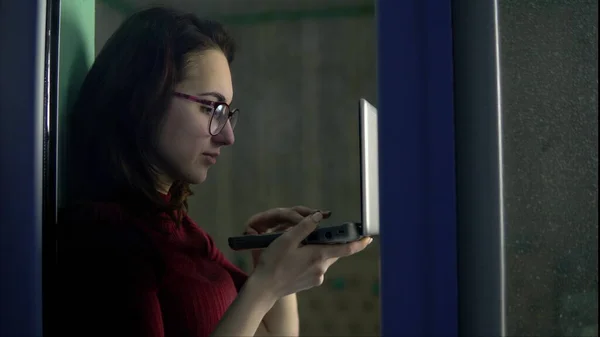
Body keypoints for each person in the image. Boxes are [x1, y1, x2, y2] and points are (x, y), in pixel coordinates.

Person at [57, 6, 372, 337]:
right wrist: (264, 285)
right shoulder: (103, 239)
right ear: (144, 97)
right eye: (210, 107)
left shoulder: (183, 231)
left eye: (227, 113)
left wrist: (276, 280)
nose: (227, 135)